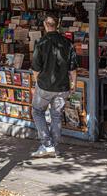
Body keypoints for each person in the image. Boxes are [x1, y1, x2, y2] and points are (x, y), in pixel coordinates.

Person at [31, 15, 78, 158]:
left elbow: (35, 68)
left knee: (38, 112)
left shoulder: (40, 42)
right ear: (57, 25)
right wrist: (73, 84)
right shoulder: (68, 43)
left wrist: (36, 82)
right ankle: (54, 146)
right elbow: (73, 68)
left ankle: (47, 144)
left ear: (45, 25)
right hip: (62, 87)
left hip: (45, 85)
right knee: (56, 116)